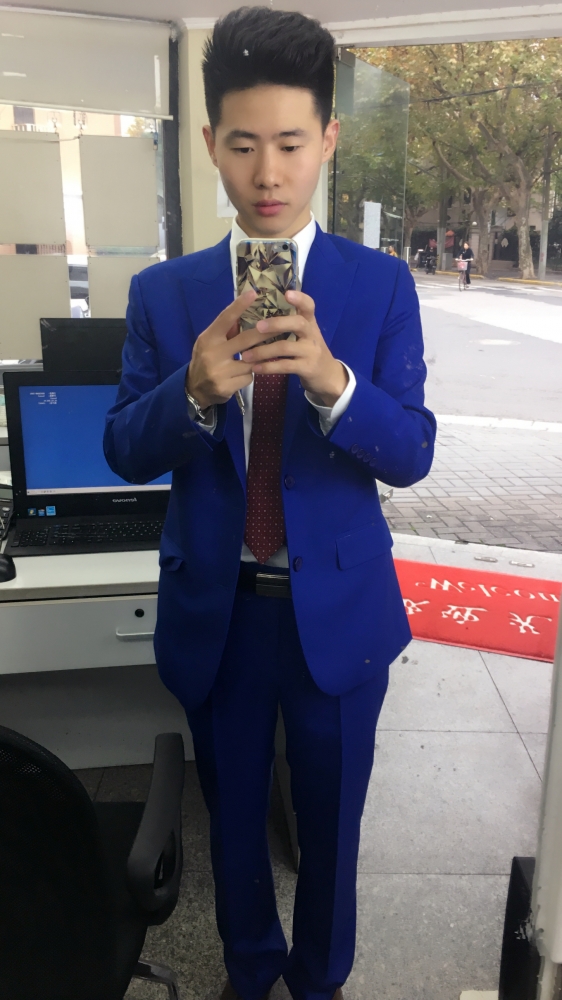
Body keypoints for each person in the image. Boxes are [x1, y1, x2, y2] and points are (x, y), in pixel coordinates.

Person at [104, 9, 436, 1000]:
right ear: (211, 142)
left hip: (339, 611)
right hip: (221, 610)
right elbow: (123, 447)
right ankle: (250, 973)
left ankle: (320, 980)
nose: (267, 173)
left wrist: (333, 383)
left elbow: (413, 452)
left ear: (327, 139)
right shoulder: (164, 294)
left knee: (333, 825)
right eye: (243, 145)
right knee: (234, 820)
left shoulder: (379, 287)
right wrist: (193, 391)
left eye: (290, 143)